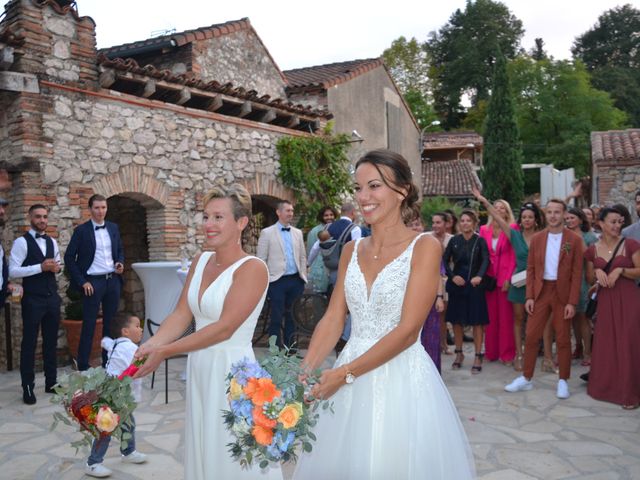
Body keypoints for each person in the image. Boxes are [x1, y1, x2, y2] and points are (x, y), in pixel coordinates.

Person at [293, 150, 475, 479]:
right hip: (348, 375)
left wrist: (343, 373)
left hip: (400, 378)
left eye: (374, 186)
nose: (363, 197)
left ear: (402, 190)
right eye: (358, 187)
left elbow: (408, 331)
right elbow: (334, 317)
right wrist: (304, 371)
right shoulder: (351, 249)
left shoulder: (424, 247)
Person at [134, 184, 282, 480]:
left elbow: (225, 328)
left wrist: (165, 352)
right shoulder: (200, 261)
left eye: (218, 217)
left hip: (233, 373)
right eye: (206, 217)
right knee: (205, 445)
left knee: (231, 449)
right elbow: (180, 313)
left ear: (241, 223)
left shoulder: (252, 268)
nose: (208, 225)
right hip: (201, 367)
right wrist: (150, 345)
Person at [505, 199, 584, 399]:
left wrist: (572, 302)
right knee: (531, 336)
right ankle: (526, 378)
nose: (553, 215)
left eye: (557, 212)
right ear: (545, 214)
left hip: (562, 293)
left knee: (564, 338)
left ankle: (563, 380)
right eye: (549, 212)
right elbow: (530, 269)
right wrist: (530, 296)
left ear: (564, 214)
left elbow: (577, 274)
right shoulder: (538, 239)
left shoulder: (573, 240)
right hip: (541, 292)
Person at [474, 189, 545, 372]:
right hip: (500, 279)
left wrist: (508, 276)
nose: (527, 220)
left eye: (531, 217)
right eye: (525, 217)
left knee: (529, 321)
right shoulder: (496, 231)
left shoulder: (533, 235)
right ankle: (502, 353)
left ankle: (523, 354)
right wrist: (483, 200)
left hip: (521, 279)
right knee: (510, 319)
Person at [584, 207, 640, 409]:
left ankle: (630, 392)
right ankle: (607, 388)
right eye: (613, 222)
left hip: (629, 299)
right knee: (607, 342)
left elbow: (639, 271)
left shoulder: (631, 244)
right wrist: (598, 270)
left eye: (619, 222)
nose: (617, 226)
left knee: (628, 341)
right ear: (601, 224)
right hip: (606, 300)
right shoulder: (592, 250)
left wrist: (621, 270)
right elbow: (589, 279)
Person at [64, 194, 124, 370]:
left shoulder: (113, 228)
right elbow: (69, 258)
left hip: (112, 280)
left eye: (103, 207)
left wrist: (120, 262)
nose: (100, 211)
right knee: (89, 324)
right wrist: (82, 281)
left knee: (110, 324)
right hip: (93, 283)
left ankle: (108, 362)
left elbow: (120, 250)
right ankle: (83, 364)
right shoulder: (81, 231)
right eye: (97, 208)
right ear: (90, 209)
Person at [9, 204, 61, 405]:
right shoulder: (21, 243)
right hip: (32, 299)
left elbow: (58, 265)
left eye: (45, 217)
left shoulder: (53, 242)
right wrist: (40, 267)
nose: (42, 220)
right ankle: (28, 387)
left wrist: (55, 268)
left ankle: (51, 382)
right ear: (30, 218)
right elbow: (13, 271)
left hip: (52, 297)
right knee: (29, 343)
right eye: (38, 217)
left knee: (51, 342)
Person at [85, 312, 147, 478]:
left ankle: (128, 451)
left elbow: (109, 343)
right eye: (137, 326)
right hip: (115, 396)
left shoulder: (119, 344)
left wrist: (105, 342)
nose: (141, 329)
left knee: (128, 424)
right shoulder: (130, 348)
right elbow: (138, 366)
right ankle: (93, 463)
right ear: (125, 331)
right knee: (106, 429)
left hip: (117, 395)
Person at [443, 209, 490, 373]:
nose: (465, 223)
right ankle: (459, 353)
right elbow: (444, 260)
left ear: (475, 223)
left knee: (477, 322)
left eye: (468, 220)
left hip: (475, 285)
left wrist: (479, 276)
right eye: (462, 220)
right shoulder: (454, 240)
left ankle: (478, 355)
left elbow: (486, 260)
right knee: (456, 321)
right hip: (457, 285)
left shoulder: (480, 241)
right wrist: (453, 276)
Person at [256, 200, 307, 348]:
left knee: (293, 317)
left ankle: (291, 349)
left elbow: (303, 256)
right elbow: (261, 259)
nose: (291, 213)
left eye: (292, 211)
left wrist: (303, 276)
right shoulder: (267, 233)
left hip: (295, 280)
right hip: (276, 281)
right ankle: (275, 350)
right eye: (287, 210)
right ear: (279, 212)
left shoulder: (297, 233)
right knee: (276, 318)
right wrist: (265, 281)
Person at [477, 196, 517, 366]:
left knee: (506, 318)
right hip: (488, 278)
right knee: (490, 318)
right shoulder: (483, 229)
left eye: (502, 208)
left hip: (505, 278)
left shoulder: (513, 228)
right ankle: (491, 352)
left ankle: (507, 354)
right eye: (496, 207)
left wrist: (509, 277)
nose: (499, 210)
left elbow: (514, 254)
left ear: (507, 212)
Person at [406, 208, 445, 372]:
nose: (415, 227)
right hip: (407, 301)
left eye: (418, 224)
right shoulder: (402, 248)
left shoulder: (431, 246)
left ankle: (431, 373)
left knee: (431, 338)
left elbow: (439, 274)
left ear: (423, 226)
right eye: (411, 225)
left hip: (429, 300)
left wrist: (439, 296)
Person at [565, 207, 597, 365]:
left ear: (580, 219)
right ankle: (577, 346)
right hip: (568, 280)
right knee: (573, 318)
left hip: (584, 279)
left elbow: (591, 256)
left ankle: (587, 352)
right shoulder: (565, 237)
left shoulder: (589, 237)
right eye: (567, 219)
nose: (569, 221)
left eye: (572, 218)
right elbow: (563, 256)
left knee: (584, 317)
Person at [428, 212, 453, 355]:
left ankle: (444, 343)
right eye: (433, 222)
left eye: (438, 222)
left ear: (446, 224)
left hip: (448, 280)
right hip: (433, 280)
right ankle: (434, 344)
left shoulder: (452, 239)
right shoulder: (428, 238)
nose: (435, 225)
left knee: (443, 316)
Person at [325, 203, 362, 295]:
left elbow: (316, 247)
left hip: (332, 269)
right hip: (348, 271)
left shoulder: (329, 227)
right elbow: (356, 251)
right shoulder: (355, 229)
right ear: (353, 213)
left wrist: (308, 263)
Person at [306, 206, 336, 293]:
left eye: (331, 214)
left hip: (334, 271)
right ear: (321, 217)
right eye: (326, 215)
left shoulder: (338, 229)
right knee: (318, 301)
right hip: (319, 272)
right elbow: (310, 252)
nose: (329, 217)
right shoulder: (314, 231)